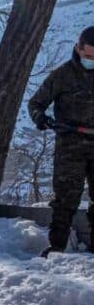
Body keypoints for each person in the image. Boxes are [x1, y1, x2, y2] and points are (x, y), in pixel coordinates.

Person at [28, 25, 94, 257]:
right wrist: (42, 119)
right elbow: (35, 104)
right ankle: (56, 248)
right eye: (88, 56)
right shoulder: (62, 75)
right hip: (70, 147)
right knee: (66, 199)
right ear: (78, 49)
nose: (91, 61)